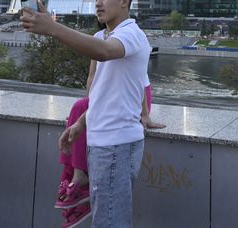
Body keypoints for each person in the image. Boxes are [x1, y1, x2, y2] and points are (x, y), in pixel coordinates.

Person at [21, 0, 150, 228]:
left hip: (115, 143)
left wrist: (52, 27)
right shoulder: (105, 35)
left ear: (124, 2)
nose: (98, 3)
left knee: (109, 221)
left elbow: (104, 52)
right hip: (103, 140)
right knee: (104, 216)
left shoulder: (131, 34)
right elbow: (102, 91)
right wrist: (81, 123)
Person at [55, 60, 162, 228]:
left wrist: (145, 114)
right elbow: (92, 77)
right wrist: (90, 107)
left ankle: (80, 186)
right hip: (108, 97)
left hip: (134, 96)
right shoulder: (99, 45)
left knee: (80, 109)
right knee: (80, 107)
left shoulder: (127, 43)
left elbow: (139, 76)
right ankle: (79, 177)